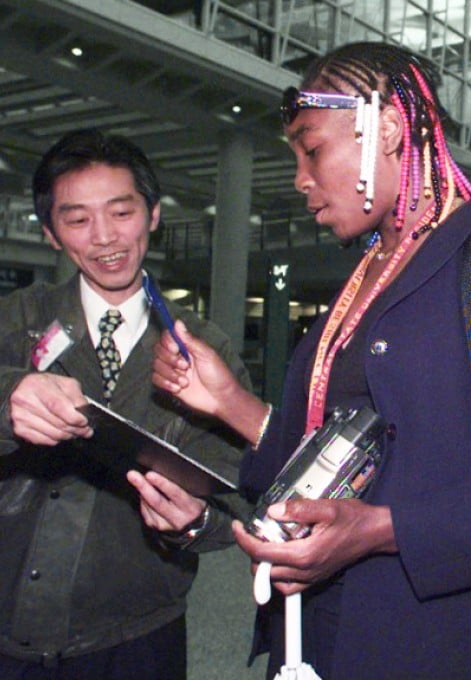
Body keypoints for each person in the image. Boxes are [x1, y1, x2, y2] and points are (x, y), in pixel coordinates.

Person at [148, 42, 471, 679]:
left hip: (434, 645)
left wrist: (388, 529)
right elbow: (337, 454)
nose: (300, 179)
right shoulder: (366, 275)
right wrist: (227, 403)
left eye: (313, 150)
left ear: (385, 128)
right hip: (322, 636)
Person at [0, 128, 250, 678]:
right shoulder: (16, 318)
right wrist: (8, 400)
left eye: (121, 212)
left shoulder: (206, 349)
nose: (105, 237)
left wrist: (195, 522)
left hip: (138, 634)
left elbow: (238, 496)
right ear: (49, 234)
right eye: (77, 219)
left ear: (154, 215)